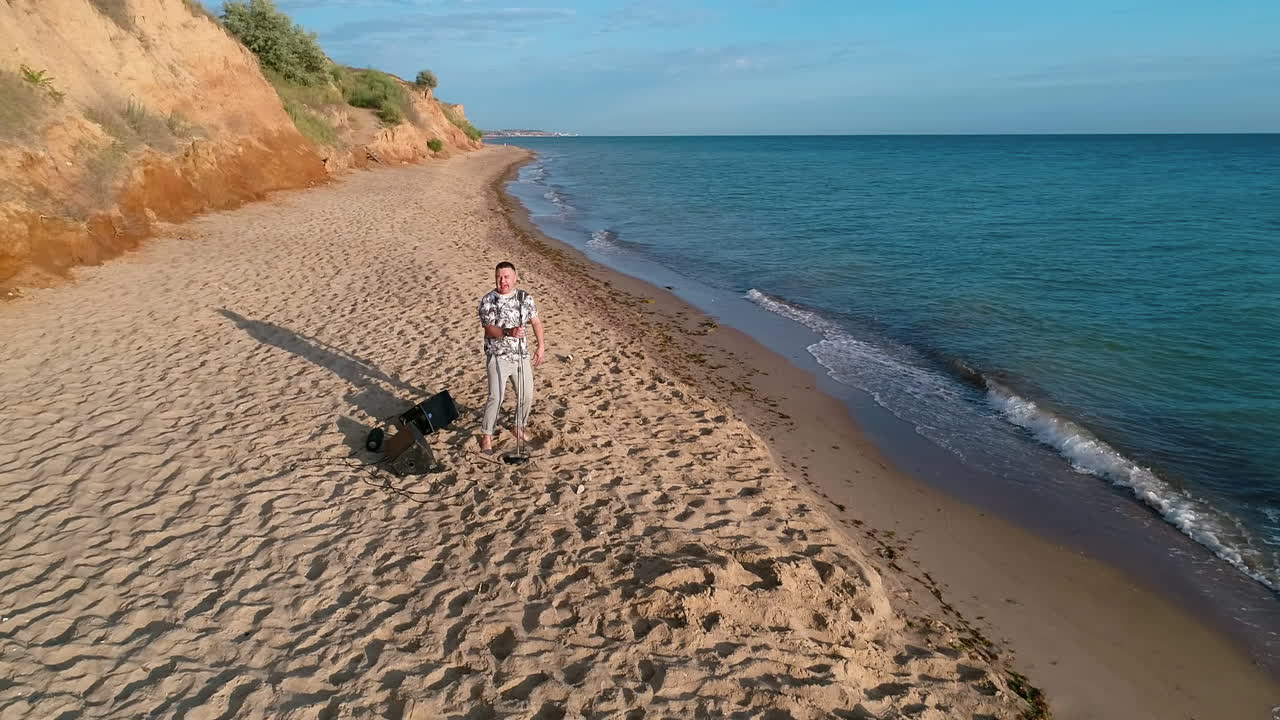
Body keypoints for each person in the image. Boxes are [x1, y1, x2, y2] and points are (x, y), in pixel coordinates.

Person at [478, 261, 545, 453]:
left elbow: (536, 322)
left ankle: (518, 426)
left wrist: (541, 346)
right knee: (496, 397)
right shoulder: (488, 300)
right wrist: (509, 331)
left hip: (521, 356)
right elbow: (489, 329)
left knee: (526, 395)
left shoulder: (525, 298)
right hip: (497, 356)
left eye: (506, 277)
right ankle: (487, 437)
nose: (502, 281)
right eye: (499, 277)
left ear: (515, 278)